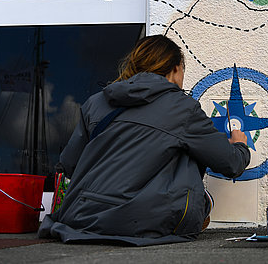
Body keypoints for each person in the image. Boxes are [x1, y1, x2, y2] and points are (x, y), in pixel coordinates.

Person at [38, 35, 250, 245]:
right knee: (189, 148)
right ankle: (201, 204)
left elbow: (68, 165)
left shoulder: (96, 102)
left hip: (81, 217)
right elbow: (231, 164)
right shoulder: (182, 108)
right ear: (176, 69)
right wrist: (239, 144)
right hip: (139, 221)